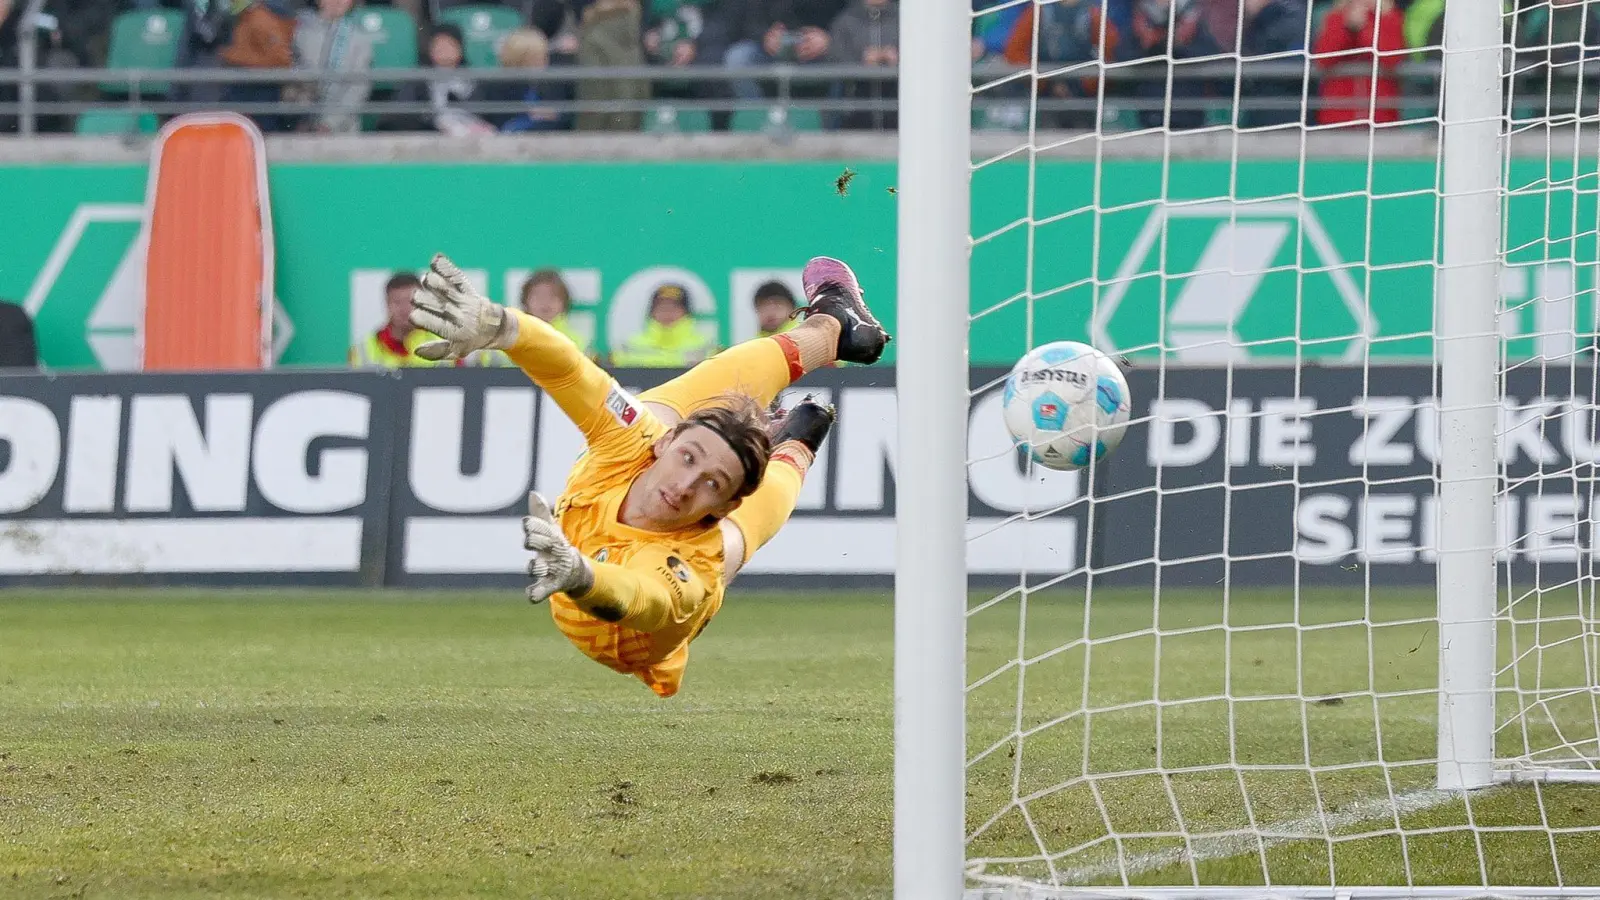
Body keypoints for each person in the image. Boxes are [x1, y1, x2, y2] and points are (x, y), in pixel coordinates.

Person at [406, 253, 890, 698]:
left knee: (743, 534)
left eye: (712, 486)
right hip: (635, 466)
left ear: (723, 505)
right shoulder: (638, 438)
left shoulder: (692, 562)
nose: (685, 485)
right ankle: (835, 332)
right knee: (657, 406)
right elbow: (572, 371)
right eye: (686, 460)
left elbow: (645, 599)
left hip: (626, 638)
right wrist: (503, 327)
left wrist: (582, 577)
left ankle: (797, 442)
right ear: (664, 445)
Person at [349, 272, 452, 367]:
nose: (405, 309)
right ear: (387, 305)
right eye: (397, 302)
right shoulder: (362, 350)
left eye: (411, 301)